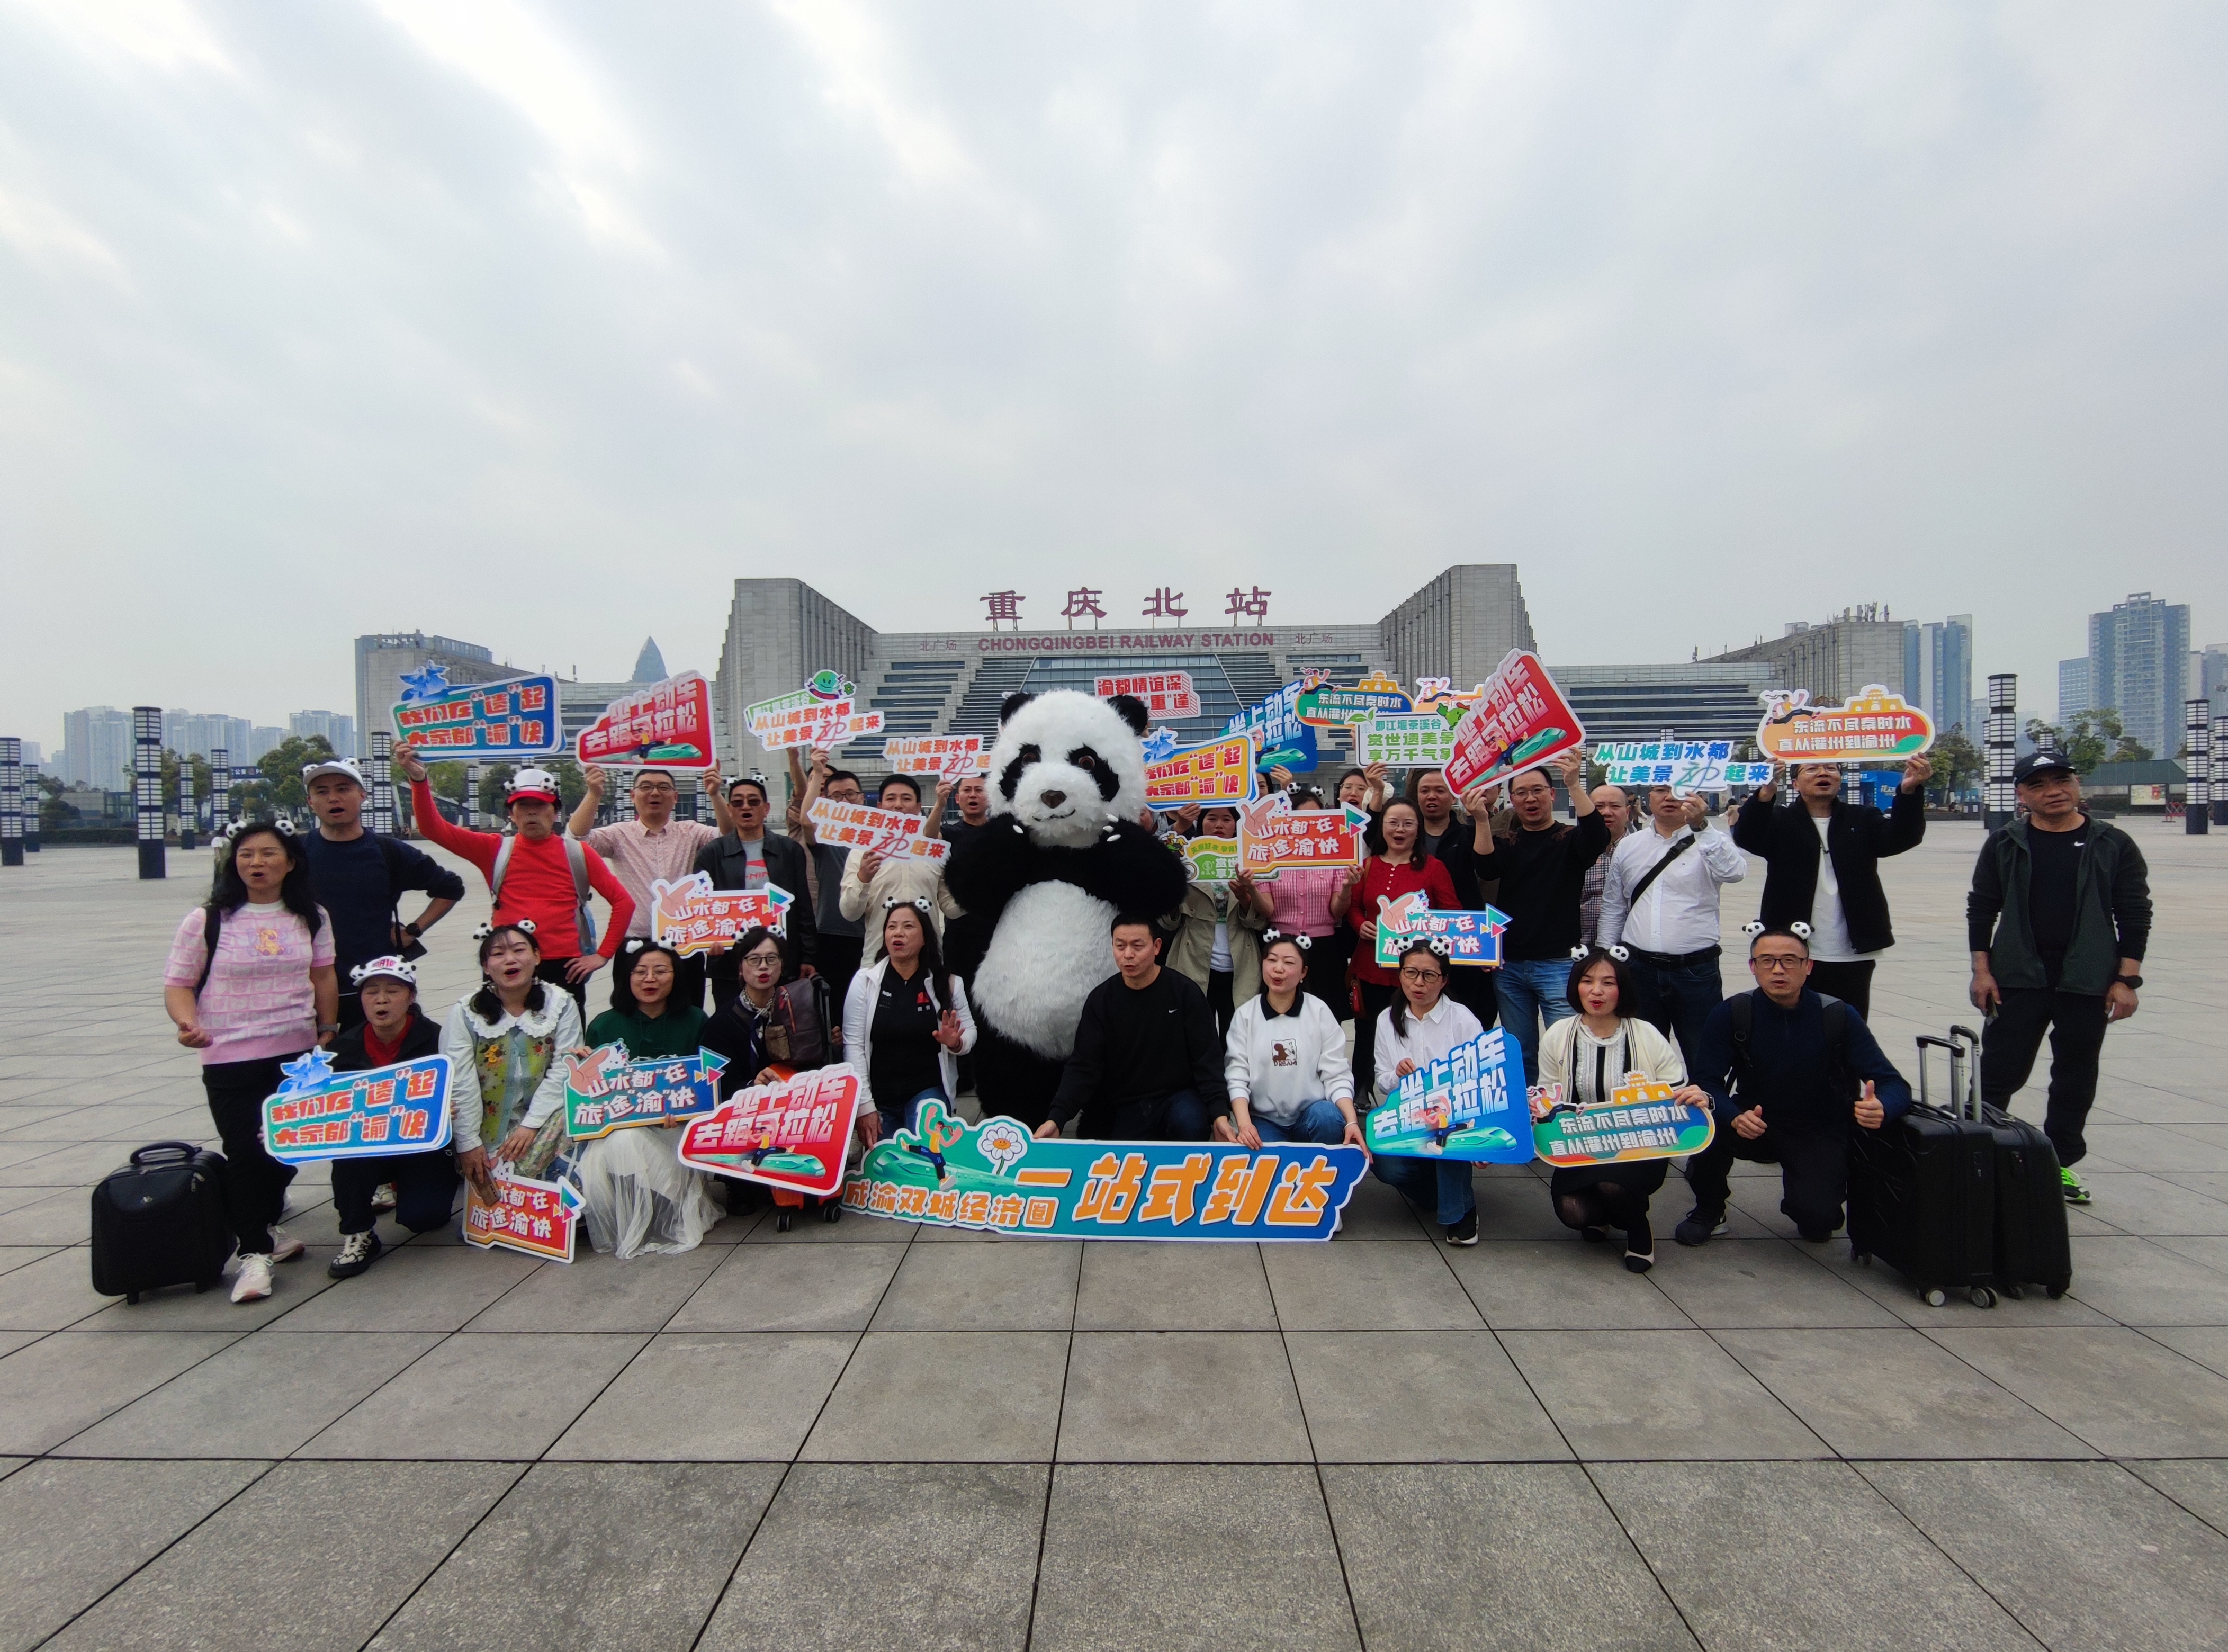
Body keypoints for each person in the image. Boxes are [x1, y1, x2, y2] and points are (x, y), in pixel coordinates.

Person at [161, 820, 335, 1304]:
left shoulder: (312, 916)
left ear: (291, 862)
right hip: (231, 1055)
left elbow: (323, 977)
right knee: (245, 1151)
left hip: (296, 1056)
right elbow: (179, 982)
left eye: (268, 854)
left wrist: (326, 1030)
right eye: (246, 855)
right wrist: (187, 1023)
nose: (256, 863)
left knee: (287, 1151)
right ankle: (254, 1254)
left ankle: (260, 1225)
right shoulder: (208, 919)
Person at [1968, 751, 2152, 1205]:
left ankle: (2059, 1164)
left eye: (2062, 780)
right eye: (2039, 784)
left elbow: (2135, 912)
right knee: (1998, 1071)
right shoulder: (2006, 841)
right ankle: (1976, 1155)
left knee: (2074, 1075)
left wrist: (2127, 980)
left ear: (2077, 785)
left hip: (2087, 977)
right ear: (2022, 795)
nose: (2053, 791)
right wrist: (1982, 972)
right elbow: (1982, 907)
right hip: (2018, 976)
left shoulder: (2112, 843)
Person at [1676, 923, 1912, 1246]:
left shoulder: (1839, 1016)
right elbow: (1706, 1082)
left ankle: (1807, 1198)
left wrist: (1883, 1106)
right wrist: (1732, 1114)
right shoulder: (1733, 1012)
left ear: (1808, 966)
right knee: (1704, 1122)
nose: (1778, 970)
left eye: (1789, 960)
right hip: (1753, 1119)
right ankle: (1709, 1207)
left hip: (1817, 1127)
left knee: (1818, 1224)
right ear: (1753, 968)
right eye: (1767, 961)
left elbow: (1892, 1082)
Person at [396, 747, 633, 1009]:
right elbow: (433, 828)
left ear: (556, 813)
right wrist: (419, 780)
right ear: (512, 814)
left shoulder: (578, 853)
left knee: (567, 1046)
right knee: (498, 1042)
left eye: (540, 806)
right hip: (505, 961)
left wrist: (602, 955)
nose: (532, 813)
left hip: (563, 964)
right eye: (523, 806)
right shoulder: (494, 849)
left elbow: (623, 902)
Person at [1529, 946, 1709, 1273]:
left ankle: (1638, 1227)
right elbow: (1549, 1092)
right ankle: (1608, 1213)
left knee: (1612, 1187)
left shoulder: (1646, 1034)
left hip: (1639, 1146)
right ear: (1575, 987)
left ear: (1622, 988)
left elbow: (1674, 1091)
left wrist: (1696, 1098)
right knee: (1574, 1212)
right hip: (1582, 1143)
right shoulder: (1558, 1034)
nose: (1596, 991)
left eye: (1608, 983)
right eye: (1587, 981)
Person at [1731, 756, 1930, 1020]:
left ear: (1840, 779)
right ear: (1795, 782)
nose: (1822, 773)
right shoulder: (1780, 820)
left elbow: (1902, 837)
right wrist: (1765, 794)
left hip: (1851, 949)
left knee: (1848, 1029)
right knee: (1791, 1027)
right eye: (1811, 769)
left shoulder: (1862, 818)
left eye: (1831, 769)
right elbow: (1747, 836)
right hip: (1791, 950)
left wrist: (1909, 792)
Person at [1470, 750, 1609, 1087]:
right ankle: (1530, 1111)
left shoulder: (1569, 839)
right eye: (1521, 793)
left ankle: (1569, 1108)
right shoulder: (1508, 841)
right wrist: (1481, 818)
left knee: (1566, 1046)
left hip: (1559, 963)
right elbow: (1486, 866)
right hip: (1510, 965)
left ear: (1551, 794)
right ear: (1511, 799)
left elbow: (1597, 837)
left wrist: (1576, 785)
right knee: (1521, 1050)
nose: (1530, 799)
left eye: (1537, 791)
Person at [574, 941, 721, 1257]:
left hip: (675, 1128)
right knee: (621, 1142)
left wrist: (685, 1114)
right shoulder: (604, 1025)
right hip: (619, 1129)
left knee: (635, 1143)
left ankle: (663, 1210)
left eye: (660, 971)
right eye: (640, 972)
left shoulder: (696, 1020)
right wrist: (582, 1070)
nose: (650, 979)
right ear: (627, 978)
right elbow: (591, 1099)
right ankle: (632, 1217)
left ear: (676, 977)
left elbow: (706, 1087)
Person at [300, 757, 464, 1030]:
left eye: (343, 789)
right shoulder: (296, 853)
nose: (333, 798)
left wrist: (413, 930)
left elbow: (450, 887)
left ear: (362, 795)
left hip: (375, 987)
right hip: (306, 988)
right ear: (310, 802)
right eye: (322, 791)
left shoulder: (388, 851)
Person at [1040, 914, 1233, 1142]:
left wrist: (1220, 1114)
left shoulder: (1185, 993)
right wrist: (1057, 1118)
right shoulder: (1101, 1000)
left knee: (1190, 1122)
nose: (1128, 955)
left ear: (1157, 946)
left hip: (1178, 1097)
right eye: (1120, 946)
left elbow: (1207, 1060)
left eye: (1137, 946)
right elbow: (1084, 1065)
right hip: (1125, 1103)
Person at [325, 956, 457, 1279]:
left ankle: (409, 1189)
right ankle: (358, 1233)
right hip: (370, 1147)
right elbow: (322, 1107)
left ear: (411, 997)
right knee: (346, 1152)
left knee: (425, 1220)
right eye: (371, 992)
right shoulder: (343, 1049)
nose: (381, 999)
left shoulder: (439, 1040)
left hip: (423, 1148)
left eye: (393, 991)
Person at [1596, 785, 1748, 1066]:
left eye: (1680, 790)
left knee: (1704, 1054)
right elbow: (1614, 904)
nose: (1670, 797)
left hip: (1695, 972)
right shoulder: (1631, 845)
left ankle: (1708, 1108)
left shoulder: (1711, 839)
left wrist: (1701, 826)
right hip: (1639, 968)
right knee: (1640, 1058)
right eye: (1661, 790)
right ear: (1647, 798)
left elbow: (1735, 872)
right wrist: (1606, 958)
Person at [569, 764, 727, 1013]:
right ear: (633, 796)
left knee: (688, 1015)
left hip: (683, 945)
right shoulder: (619, 835)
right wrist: (594, 794)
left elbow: (727, 838)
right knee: (630, 1015)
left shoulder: (691, 832)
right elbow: (577, 841)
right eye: (646, 787)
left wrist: (716, 794)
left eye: (663, 788)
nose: (655, 793)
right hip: (634, 946)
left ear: (675, 797)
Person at [444, 921, 583, 1202]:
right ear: (486, 966)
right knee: (497, 1192)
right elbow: (460, 1082)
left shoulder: (561, 1004)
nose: (510, 959)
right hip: (487, 1133)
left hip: (544, 1123)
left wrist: (531, 1125)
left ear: (537, 956)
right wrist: (469, 1143)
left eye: (519, 950)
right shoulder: (466, 1012)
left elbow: (563, 1071)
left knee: (580, 1119)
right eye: (498, 954)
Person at [1334, 796, 1459, 1102]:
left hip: (1417, 969)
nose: (1399, 829)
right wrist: (1360, 923)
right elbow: (1352, 907)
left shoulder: (1434, 868)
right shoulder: (1368, 865)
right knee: (1368, 1029)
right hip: (1371, 965)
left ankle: (1415, 1088)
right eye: (1393, 822)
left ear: (1419, 830)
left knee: (1412, 1028)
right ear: (1382, 828)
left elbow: (1451, 912)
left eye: (1407, 823)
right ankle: (1360, 1088)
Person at [1366, 937, 1487, 1245]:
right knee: (1386, 1164)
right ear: (1400, 975)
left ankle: (1461, 1212)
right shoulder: (1386, 1019)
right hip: (1406, 1116)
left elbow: (1482, 1075)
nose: (1418, 983)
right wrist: (1397, 1075)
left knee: (1444, 1135)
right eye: (1410, 973)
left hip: (1454, 1115)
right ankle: (1440, 1192)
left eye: (1429, 975)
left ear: (1444, 980)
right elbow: (1381, 1080)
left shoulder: (1462, 1019)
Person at [843, 898, 978, 1142]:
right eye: (892, 927)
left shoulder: (948, 983)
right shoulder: (865, 982)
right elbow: (853, 1046)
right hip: (880, 1098)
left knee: (927, 1155)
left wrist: (956, 1043)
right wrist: (865, 1107)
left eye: (908, 927)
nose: (898, 933)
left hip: (927, 1091)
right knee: (890, 1169)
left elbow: (969, 1031)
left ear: (925, 936)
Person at [1224, 932, 1364, 1148]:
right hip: (1264, 1120)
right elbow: (1237, 1076)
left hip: (1310, 1115)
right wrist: (1244, 1125)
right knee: (1263, 1157)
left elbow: (1336, 1074)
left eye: (1289, 963)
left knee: (1328, 1118)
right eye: (1271, 960)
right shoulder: (1245, 1015)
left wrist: (1352, 1121)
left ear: (1303, 972)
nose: (1278, 969)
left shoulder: (1319, 1011)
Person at [694, 770, 818, 1010]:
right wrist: (708, 941)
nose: (746, 807)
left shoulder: (789, 850)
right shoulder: (712, 854)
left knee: (782, 1027)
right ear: (730, 810)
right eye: (738, 803)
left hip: (780, 957)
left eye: (753, 801)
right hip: (730, 962)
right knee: (734, 1025)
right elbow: (700, 907)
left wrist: (808, 956)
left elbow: (803, 906)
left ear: (766, 808)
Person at [1160, 806, 1268, 1036]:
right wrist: (1169, 891)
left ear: (1236, 825)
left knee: (1238, 1035)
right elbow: (1169, 921)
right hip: (1195, 961)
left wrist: (1246, 896)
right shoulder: (1185, 858)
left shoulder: (1251, 859)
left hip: (1239, 963)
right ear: (1201, 822)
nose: (1219, 825)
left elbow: (1259, 921)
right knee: (1196, 1034)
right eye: (1212, 818)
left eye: (1227, 819)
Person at [838, 772, 963, 966]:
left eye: (906, 799)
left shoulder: (934, 849)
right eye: (891, 798)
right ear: (880, 806)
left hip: (928, 960)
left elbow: (951, 908)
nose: (898, 805)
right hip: (878, 961)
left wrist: (977, 885)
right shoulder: (862, 851)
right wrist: (863, 878)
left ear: (918, 807)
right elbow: (849, 913)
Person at [791, 752, 869, 1007]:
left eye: (850, 794)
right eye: (837, 796)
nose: (844, 800)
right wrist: (816, 771)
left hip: (874, 932)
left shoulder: (878, 835)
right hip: (834, 934)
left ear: (862, 797)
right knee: (837, 1005)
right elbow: (805, 819)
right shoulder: (825, 838)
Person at [1578, 785, 1634, 947]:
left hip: (1630, 951)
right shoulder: (1575, 849)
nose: (1606, 812)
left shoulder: (1642, 851)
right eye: (1598, 807)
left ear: (1627, 811)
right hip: (1580, 949)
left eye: (1615, 806)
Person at [942, 774, 995, 852]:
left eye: (979, 790)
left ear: (990, 797)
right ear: (957, 798)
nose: (973, 795)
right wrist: (940, 804)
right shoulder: (950, 832)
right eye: (967, 790)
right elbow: (929, 836)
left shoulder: (1003, 832)